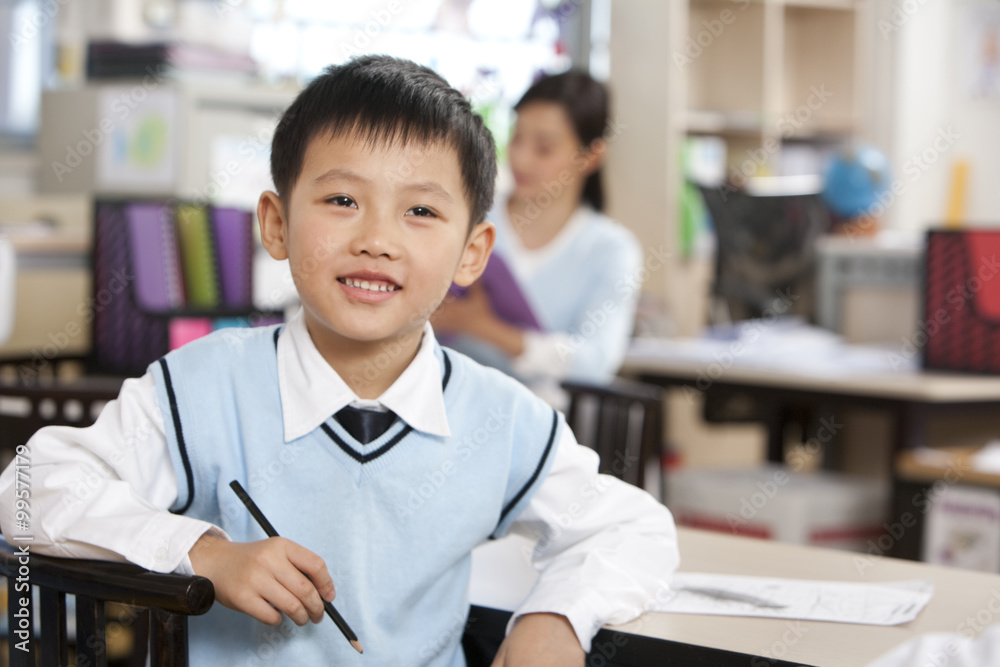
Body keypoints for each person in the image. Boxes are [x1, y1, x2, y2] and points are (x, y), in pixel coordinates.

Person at [0, 56, 678, 666]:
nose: (377, 239)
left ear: (473, 252)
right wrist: (203, 550)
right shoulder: (201, 386)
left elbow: (633, 525)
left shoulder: (500, 419)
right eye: (342, 200)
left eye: (419, 210)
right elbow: (29, 487)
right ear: (276, 223)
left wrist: (556, 615)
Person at [432, 70, 643, 402]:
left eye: (544, 148)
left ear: (592, 157)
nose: (521, 158)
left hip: (540, 420)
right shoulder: (470, 217)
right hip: (443, 396)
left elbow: (596, 362)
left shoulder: (610, 250)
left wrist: (483, 328)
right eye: (516, 139)